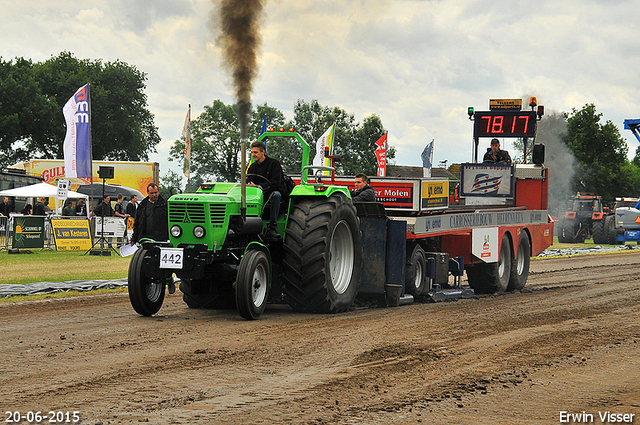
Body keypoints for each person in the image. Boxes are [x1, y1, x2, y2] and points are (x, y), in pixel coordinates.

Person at [246, 140, 288, 241]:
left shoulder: (274, 164)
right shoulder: (252, 167)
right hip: (257, 194)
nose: (253, 155)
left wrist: (258, 186)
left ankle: (273, 227)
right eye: (252, 152)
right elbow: (248, 180)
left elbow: (275, 183)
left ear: (263, 152)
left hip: (272, 191)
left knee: (276, 195)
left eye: (255, 152)